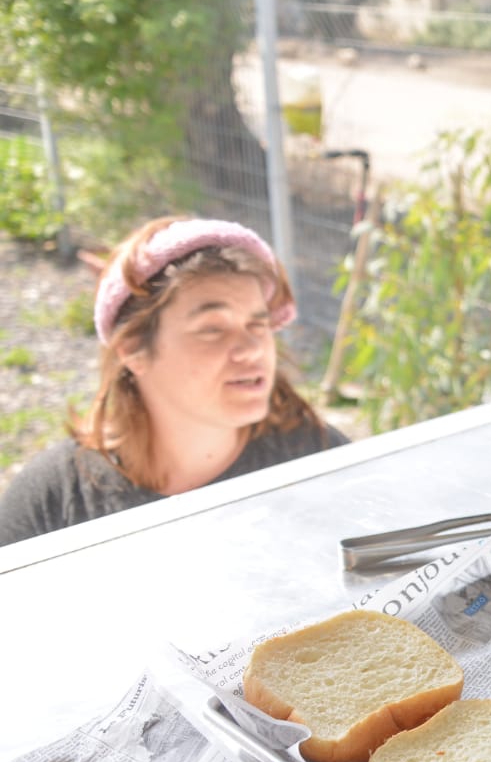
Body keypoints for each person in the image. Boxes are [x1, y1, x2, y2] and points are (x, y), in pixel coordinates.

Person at [0, 216, 347, 545]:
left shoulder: (320, 461)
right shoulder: (53, 502)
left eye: (258, 324)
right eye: (212, 329)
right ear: (133, 349)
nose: (251, 349)